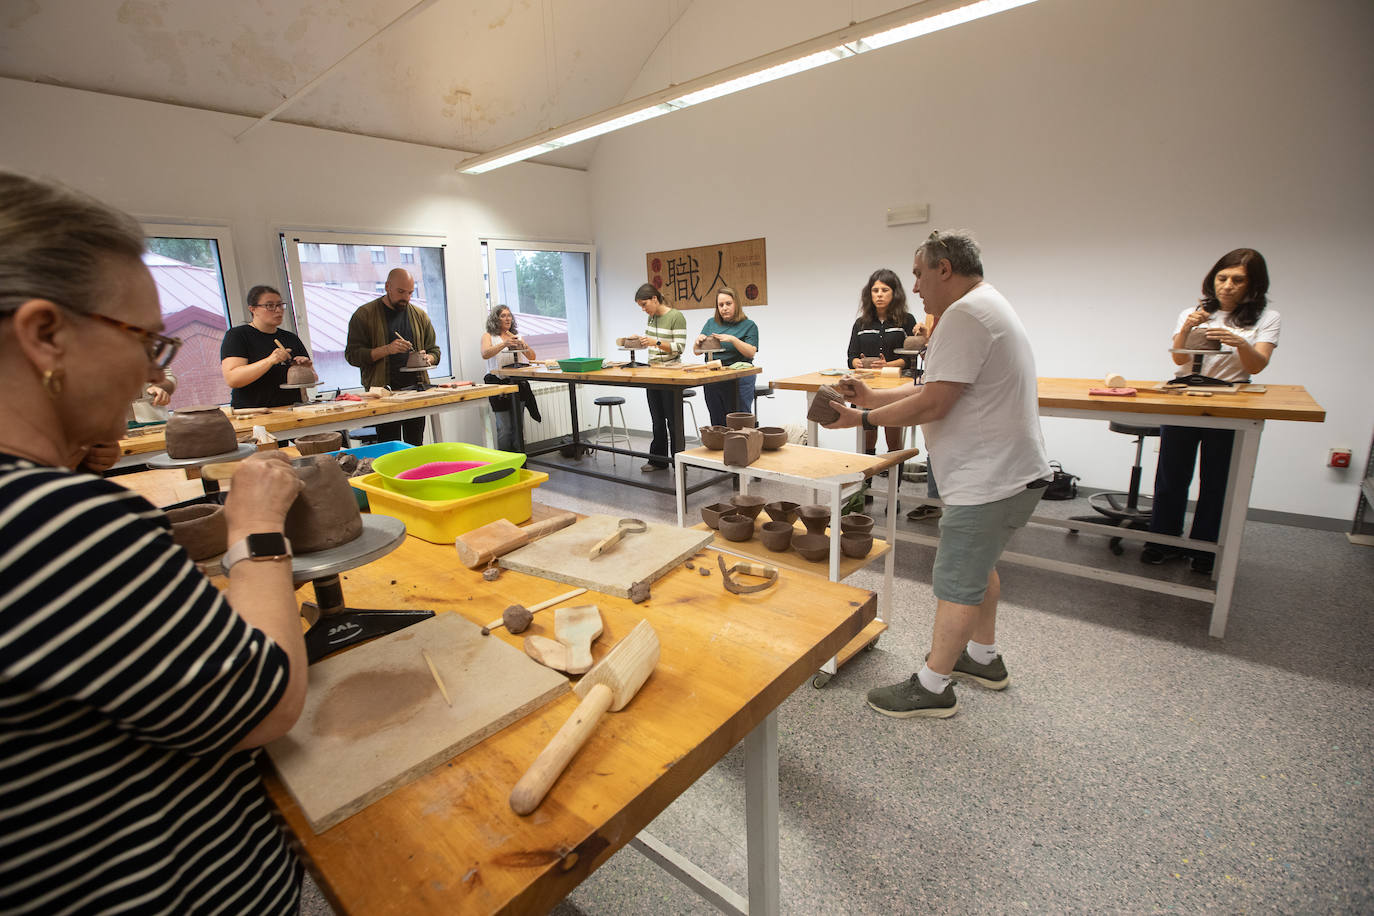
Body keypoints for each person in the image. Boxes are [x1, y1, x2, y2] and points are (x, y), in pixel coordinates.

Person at [0, 171, 307, 913]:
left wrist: (64, 446)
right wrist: (254, 527)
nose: (150, 372)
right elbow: (263, 706)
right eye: (144, 340)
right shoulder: (51, 523)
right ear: (45, 334)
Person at [824, 231, 1050, 719]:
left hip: (989, 480)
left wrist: (859, 420)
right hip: (1010, 474)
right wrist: (869, 396)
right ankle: (983, 659)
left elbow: (932, 403)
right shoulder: (984, 306)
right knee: (978, 566)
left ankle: (933, 685)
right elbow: (937, 386)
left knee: (956, 579)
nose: (916, 285)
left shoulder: (965, 315)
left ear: (944, 269)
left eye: (919, 273)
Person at [1142, 249, 1280, 573]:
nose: (1228, 286)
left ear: (1253, 285)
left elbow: (1257, 366)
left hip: (1231, 401)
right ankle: (1162, 541)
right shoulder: (1193, 312)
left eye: (1237, 280)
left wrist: (1239, 342)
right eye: (1222, 278)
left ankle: (1205, 548)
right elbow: (1178, 358)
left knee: (1217, 479)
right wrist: (1187, 327)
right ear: (1212, 279)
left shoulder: (1266, 319)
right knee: (1170, 476)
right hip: (1185, 397)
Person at [344, 267, 440, 445]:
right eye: (401, 291)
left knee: (415, 446)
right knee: (389, 445)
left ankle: (416, 473)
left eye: (410, 292)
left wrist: (428, 359)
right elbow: (352, 355)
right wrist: (386, 350)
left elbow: (434, 350)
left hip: (416, 392)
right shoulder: (364, 315)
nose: (406, 298)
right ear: (387, 286)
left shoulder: (419, 316)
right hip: (383, 394)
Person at [846, 268, 918, 458]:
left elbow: (913, 357)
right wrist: (857, 363)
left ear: (895, 293)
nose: (879, 295)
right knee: (867, 436)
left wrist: (890, 365)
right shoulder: (861, 323)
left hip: (896, 387)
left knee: (893, 437)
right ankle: (865, 484)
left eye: (884, 290)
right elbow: (851, 356)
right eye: (875, 290)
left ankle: (895, 487)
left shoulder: (907, 321)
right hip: (867, 386)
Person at [220, 285, 314, 408]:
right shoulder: (238, 335)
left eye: (280, 305)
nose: (278, 310)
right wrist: (270, 361)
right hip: (254, 412)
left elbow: (314, 378)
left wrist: (305, 368)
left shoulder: (290, 338)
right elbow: (233, 379)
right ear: (253, 309)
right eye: (269, 306)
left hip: (292, 409)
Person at [631, 282, 686, 471]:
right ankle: (658, 460)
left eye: (644, 305)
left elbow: (679, 347)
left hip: (671, 373)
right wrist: (638, 341)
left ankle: (680, 462)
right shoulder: (651, 318)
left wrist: (657, 341)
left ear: (655, 299)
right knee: (657, 418)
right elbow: (652, 345)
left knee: (673, 420)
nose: (644, 310)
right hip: (652, 372)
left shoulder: (676, 316)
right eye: (640, 307)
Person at [692, 286, 758, 426]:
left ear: (736, 304)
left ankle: (742, 446)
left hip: (740, 378)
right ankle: (719, 446)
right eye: (721, 305)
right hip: (714, 377)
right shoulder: (711, 323)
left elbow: (751, 352)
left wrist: (733, 339)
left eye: (728, 304)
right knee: (717, 420)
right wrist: (698, 342)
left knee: (738, 419)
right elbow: (697, 352)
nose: (724, 308)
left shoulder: (749, 325)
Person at [481, 304, 537, 451]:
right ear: (495, 319)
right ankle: (505, 461)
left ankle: (520, 462)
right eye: (503, 316)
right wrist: (504, 344)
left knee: (518, 427)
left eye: (509, 315)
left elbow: (532, 357)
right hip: (497, 385)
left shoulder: (516, 336)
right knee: (504, 428)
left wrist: (522, 344)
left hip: (517, 384)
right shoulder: (488, 336)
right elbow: (485, 353)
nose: (507, 319)